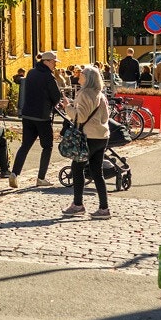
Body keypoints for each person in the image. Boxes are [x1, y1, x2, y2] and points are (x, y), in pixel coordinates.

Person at [64, 65, 112, 219]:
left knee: (77, 167)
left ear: (88, 77)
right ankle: (104, 208)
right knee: (97, 172)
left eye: (82, 73)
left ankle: (78, 205)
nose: (79, 75)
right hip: (102, 136)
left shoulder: (84, 93)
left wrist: (67, 107)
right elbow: (106, 117)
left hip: (87, 136)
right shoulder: (100, 95)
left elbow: (81, 117)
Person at [12, 50, 65, 187]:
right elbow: (56, 97)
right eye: (53, 62)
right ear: (46, 61)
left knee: (25, 145)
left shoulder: (31, 72)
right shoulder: (49, 77)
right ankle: (41, 178)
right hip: (42, 117)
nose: (55, 65)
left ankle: (14, 173)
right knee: (47, 146)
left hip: (28, 114)